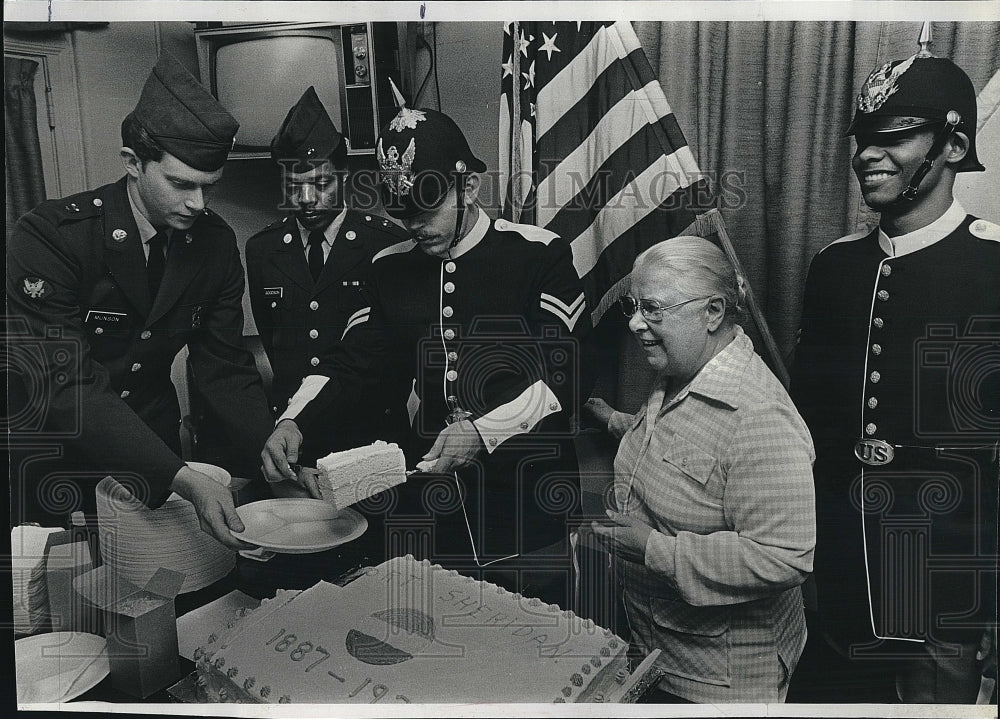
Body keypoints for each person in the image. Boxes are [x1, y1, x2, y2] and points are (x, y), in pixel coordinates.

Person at [261, 106, 590, 607]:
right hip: (438, 511)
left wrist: (482, 430)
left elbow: (568, 378)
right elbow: (354, 363)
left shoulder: (538, 255)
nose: (414, 225)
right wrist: (293, 421)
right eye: (402, 212)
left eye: (426, 208)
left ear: (470, 188)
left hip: (528, 507)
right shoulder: (388, 269)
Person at [790, 50, 999, 703]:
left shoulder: (992, 262)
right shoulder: (835, 268)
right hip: (845, 575)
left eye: (895, 135)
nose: (867, 155)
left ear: (954, 143)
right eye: (862, 139)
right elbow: (811, 427)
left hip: (949, 579)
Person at [6, 52, 272, 549]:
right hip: (52, 454)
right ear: (132, 163)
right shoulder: (51, 236)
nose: (198, 204)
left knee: (161, 591)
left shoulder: (213, 243)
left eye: (209, 187)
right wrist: (184, 478)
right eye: (180, 183)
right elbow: (68, 386)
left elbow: (225, 366)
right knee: (64, 602)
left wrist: (267, 442)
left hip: (150, 447)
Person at [589, 237, 816, 703]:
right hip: (656, 649)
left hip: (720, 680)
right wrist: (615, 420)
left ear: (713, 312)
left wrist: (654, 549)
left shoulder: (758, 416)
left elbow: (785, 556)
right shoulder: (683, 371)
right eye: (634, 306)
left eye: (652, 309)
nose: (634, 323)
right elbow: (680, 443)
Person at [245, 86, 409, 470]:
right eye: (293, 187)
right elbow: (272, 338)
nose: (306, 199)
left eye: (320, 185)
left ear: (345, 176)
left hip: (371, 436)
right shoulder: (263, 249)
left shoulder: (386, 245)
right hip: (295, 439)